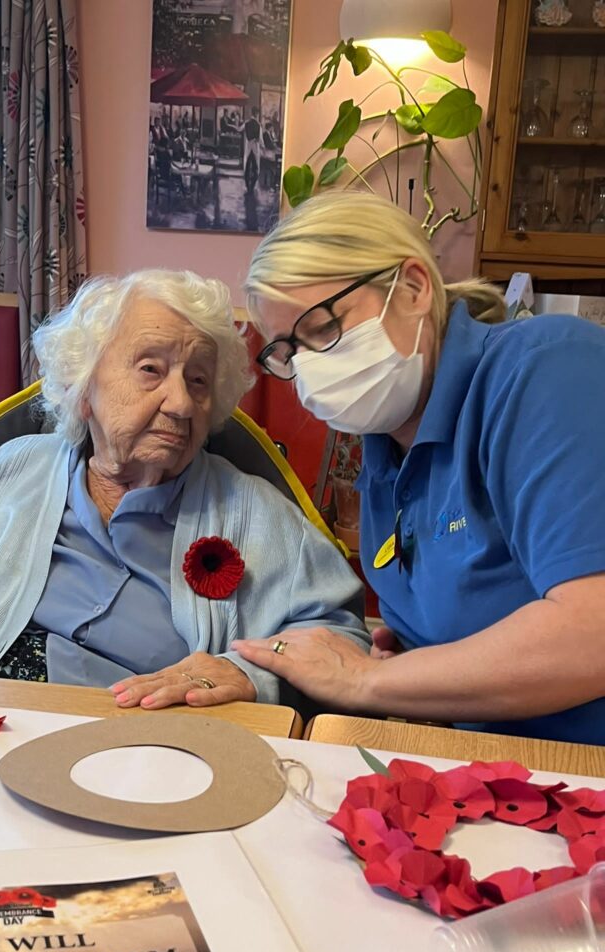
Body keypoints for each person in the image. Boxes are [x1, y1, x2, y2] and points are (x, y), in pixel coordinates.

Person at [0, 269, 368, 710]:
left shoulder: (257, 513)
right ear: (83, 387)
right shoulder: (3, 474)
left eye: (199, 381)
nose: (181, 403)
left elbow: (342, 641)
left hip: (145, 752)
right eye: (150, 370)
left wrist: (249, 675)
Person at [232, 190, 605, 744]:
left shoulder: (544, 367)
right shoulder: (384, 457)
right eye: (289, 351)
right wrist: (414, 663)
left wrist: (366, 681)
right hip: (477, 758)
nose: (309, 367)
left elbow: (591, 630)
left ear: (412, 288)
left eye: (323, 328)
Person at [237, 107, 262, 191]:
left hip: (248, 148)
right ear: (257, 114)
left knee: (247, 166)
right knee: (255, 167)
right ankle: (253, 185)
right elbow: (260, 139)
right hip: (255, 148)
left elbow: (239, 129)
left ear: (251, 113)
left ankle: (247, 185)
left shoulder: (246, 123)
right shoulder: (258, 125)